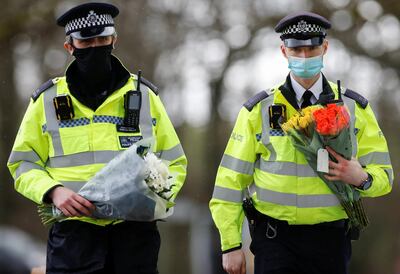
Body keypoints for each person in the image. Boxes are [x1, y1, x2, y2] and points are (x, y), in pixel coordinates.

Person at [7, 2, 187, 274]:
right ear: (69, 47)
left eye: (103, 38)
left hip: (134, 239)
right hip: (73, 240)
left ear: (114, 39)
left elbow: (175, 162)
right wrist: (54, 192)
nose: (96, 47)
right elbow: (22, 164)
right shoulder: (45, 101)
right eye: (86, 41)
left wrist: (154, 200)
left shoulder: (146, 98)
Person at [209, 11, 393, 274]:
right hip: (274, 241)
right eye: (297, 50)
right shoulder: (258, 110)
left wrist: (361, 178)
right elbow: (230, 182)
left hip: (330, 243)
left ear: (325, 47)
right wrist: (230, 244)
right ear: (284, 51)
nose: (305, 56)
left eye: (312, 47)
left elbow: (385, 177)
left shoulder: (354, 108)